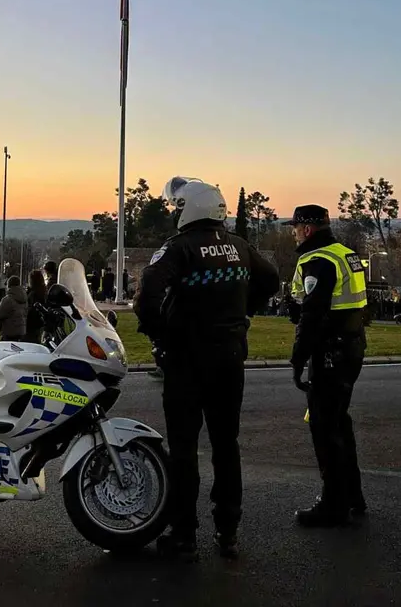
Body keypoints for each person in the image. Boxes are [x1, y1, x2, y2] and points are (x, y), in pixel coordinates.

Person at [133, 176, 279, 561]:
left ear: (190, 208)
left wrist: (160, 335)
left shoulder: (178, 248)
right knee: (225, 445)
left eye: (177, 206)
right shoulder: (239, 246)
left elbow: (148, 293)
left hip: (187, 360)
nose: (174, 212)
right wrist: (243, 312)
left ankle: (184, 536)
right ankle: (228, 531)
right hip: (231, 358)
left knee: (184, 449)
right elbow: (273, 280)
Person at [283, 205, 368, 527]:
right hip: (351, 344)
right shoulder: (344, 253)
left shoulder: (318, 259)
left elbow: (314, 313)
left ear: (307, 228)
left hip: (330, 351)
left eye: (295, 227)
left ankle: (334, 504)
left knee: (324, 427)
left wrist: (297, 357)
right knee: (339, 422)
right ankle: (352, 495)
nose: (293, 232)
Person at [25, 269, 47, 343]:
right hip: (39, 324)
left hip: (31, 324)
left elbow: (30, 309)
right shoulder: (43, 292)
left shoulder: (33, 294)